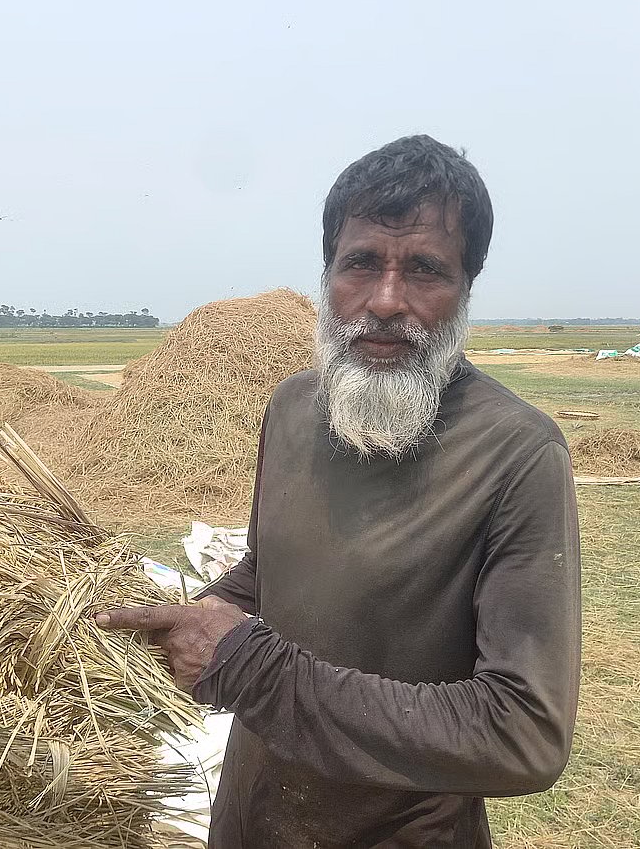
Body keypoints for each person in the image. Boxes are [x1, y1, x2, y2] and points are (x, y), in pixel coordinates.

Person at [97, 136, 581, 848]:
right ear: (327, 273)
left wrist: (246, 667)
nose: (386, 301)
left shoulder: (517, 453)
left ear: (467, 287)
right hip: (252, 818)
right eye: (360, 264)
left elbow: (523, 734)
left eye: (424, 270)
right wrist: (196, 618)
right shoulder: (294, 408)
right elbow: (269, 572)